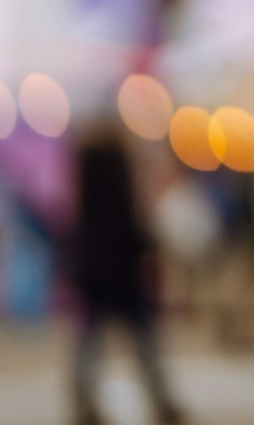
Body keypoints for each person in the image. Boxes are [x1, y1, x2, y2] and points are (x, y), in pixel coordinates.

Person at [66, 122, 185, 425]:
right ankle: (161, 401)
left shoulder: (86, 182)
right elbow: (132, 226)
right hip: (122, 273)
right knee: (142, 342)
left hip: (95, 271)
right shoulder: (115, 175)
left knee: (90, 341)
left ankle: (84, 403)